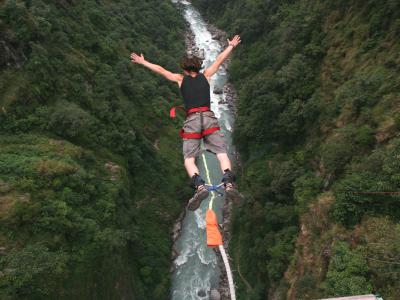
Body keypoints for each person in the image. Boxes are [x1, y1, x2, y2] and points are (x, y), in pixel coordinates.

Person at [130, 35, 242, 211]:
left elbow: (161, 70)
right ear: (198, 67)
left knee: (189, 159)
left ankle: (199, 186)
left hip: (192, 122)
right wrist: (231, 46)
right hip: (209, 118)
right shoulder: (207, 75)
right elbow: (219, 60)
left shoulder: (180, 79)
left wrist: (144, 62)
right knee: (221, 152)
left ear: (184, 69)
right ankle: (228, 183)